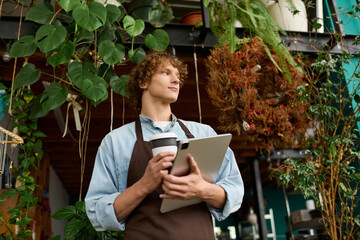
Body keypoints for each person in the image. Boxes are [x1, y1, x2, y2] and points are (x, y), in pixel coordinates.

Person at [85, 51, 244, 239]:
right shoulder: (115, 142)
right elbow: (98, 214)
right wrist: (144, 184)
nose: (176, 80)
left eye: (178, 76)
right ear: (143, 82)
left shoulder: (204, 134)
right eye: (166, 73)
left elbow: (235, 193)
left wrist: (202, 189)